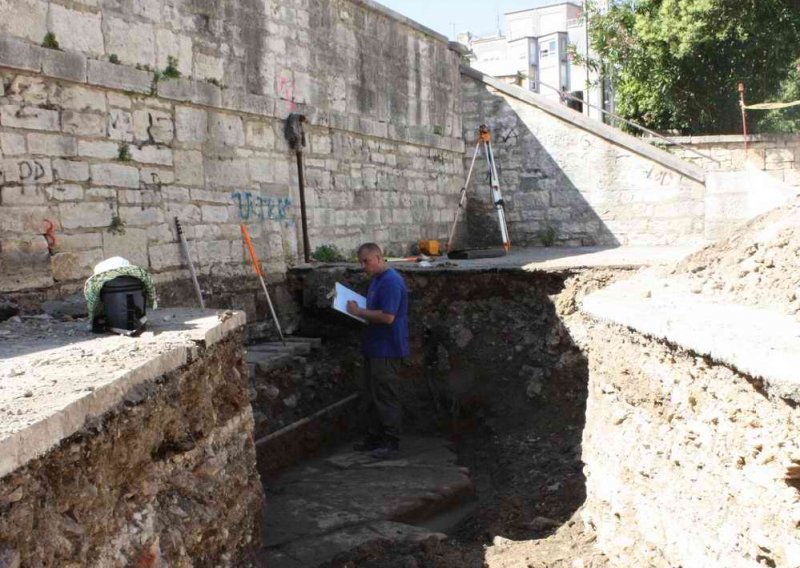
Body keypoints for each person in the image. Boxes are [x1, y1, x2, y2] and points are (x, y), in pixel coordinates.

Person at [346, 242, 409, 459]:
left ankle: (391, 442)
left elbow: (388, 316)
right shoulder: (376, 280)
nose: (364, 266)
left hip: (387, 347)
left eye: (367, 261)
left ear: (379, 258)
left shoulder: (391, 282)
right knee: (371, 394)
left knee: (386, 394)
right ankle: (375, 438)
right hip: (375, 346)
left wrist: (359, 311)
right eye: (361, 262)